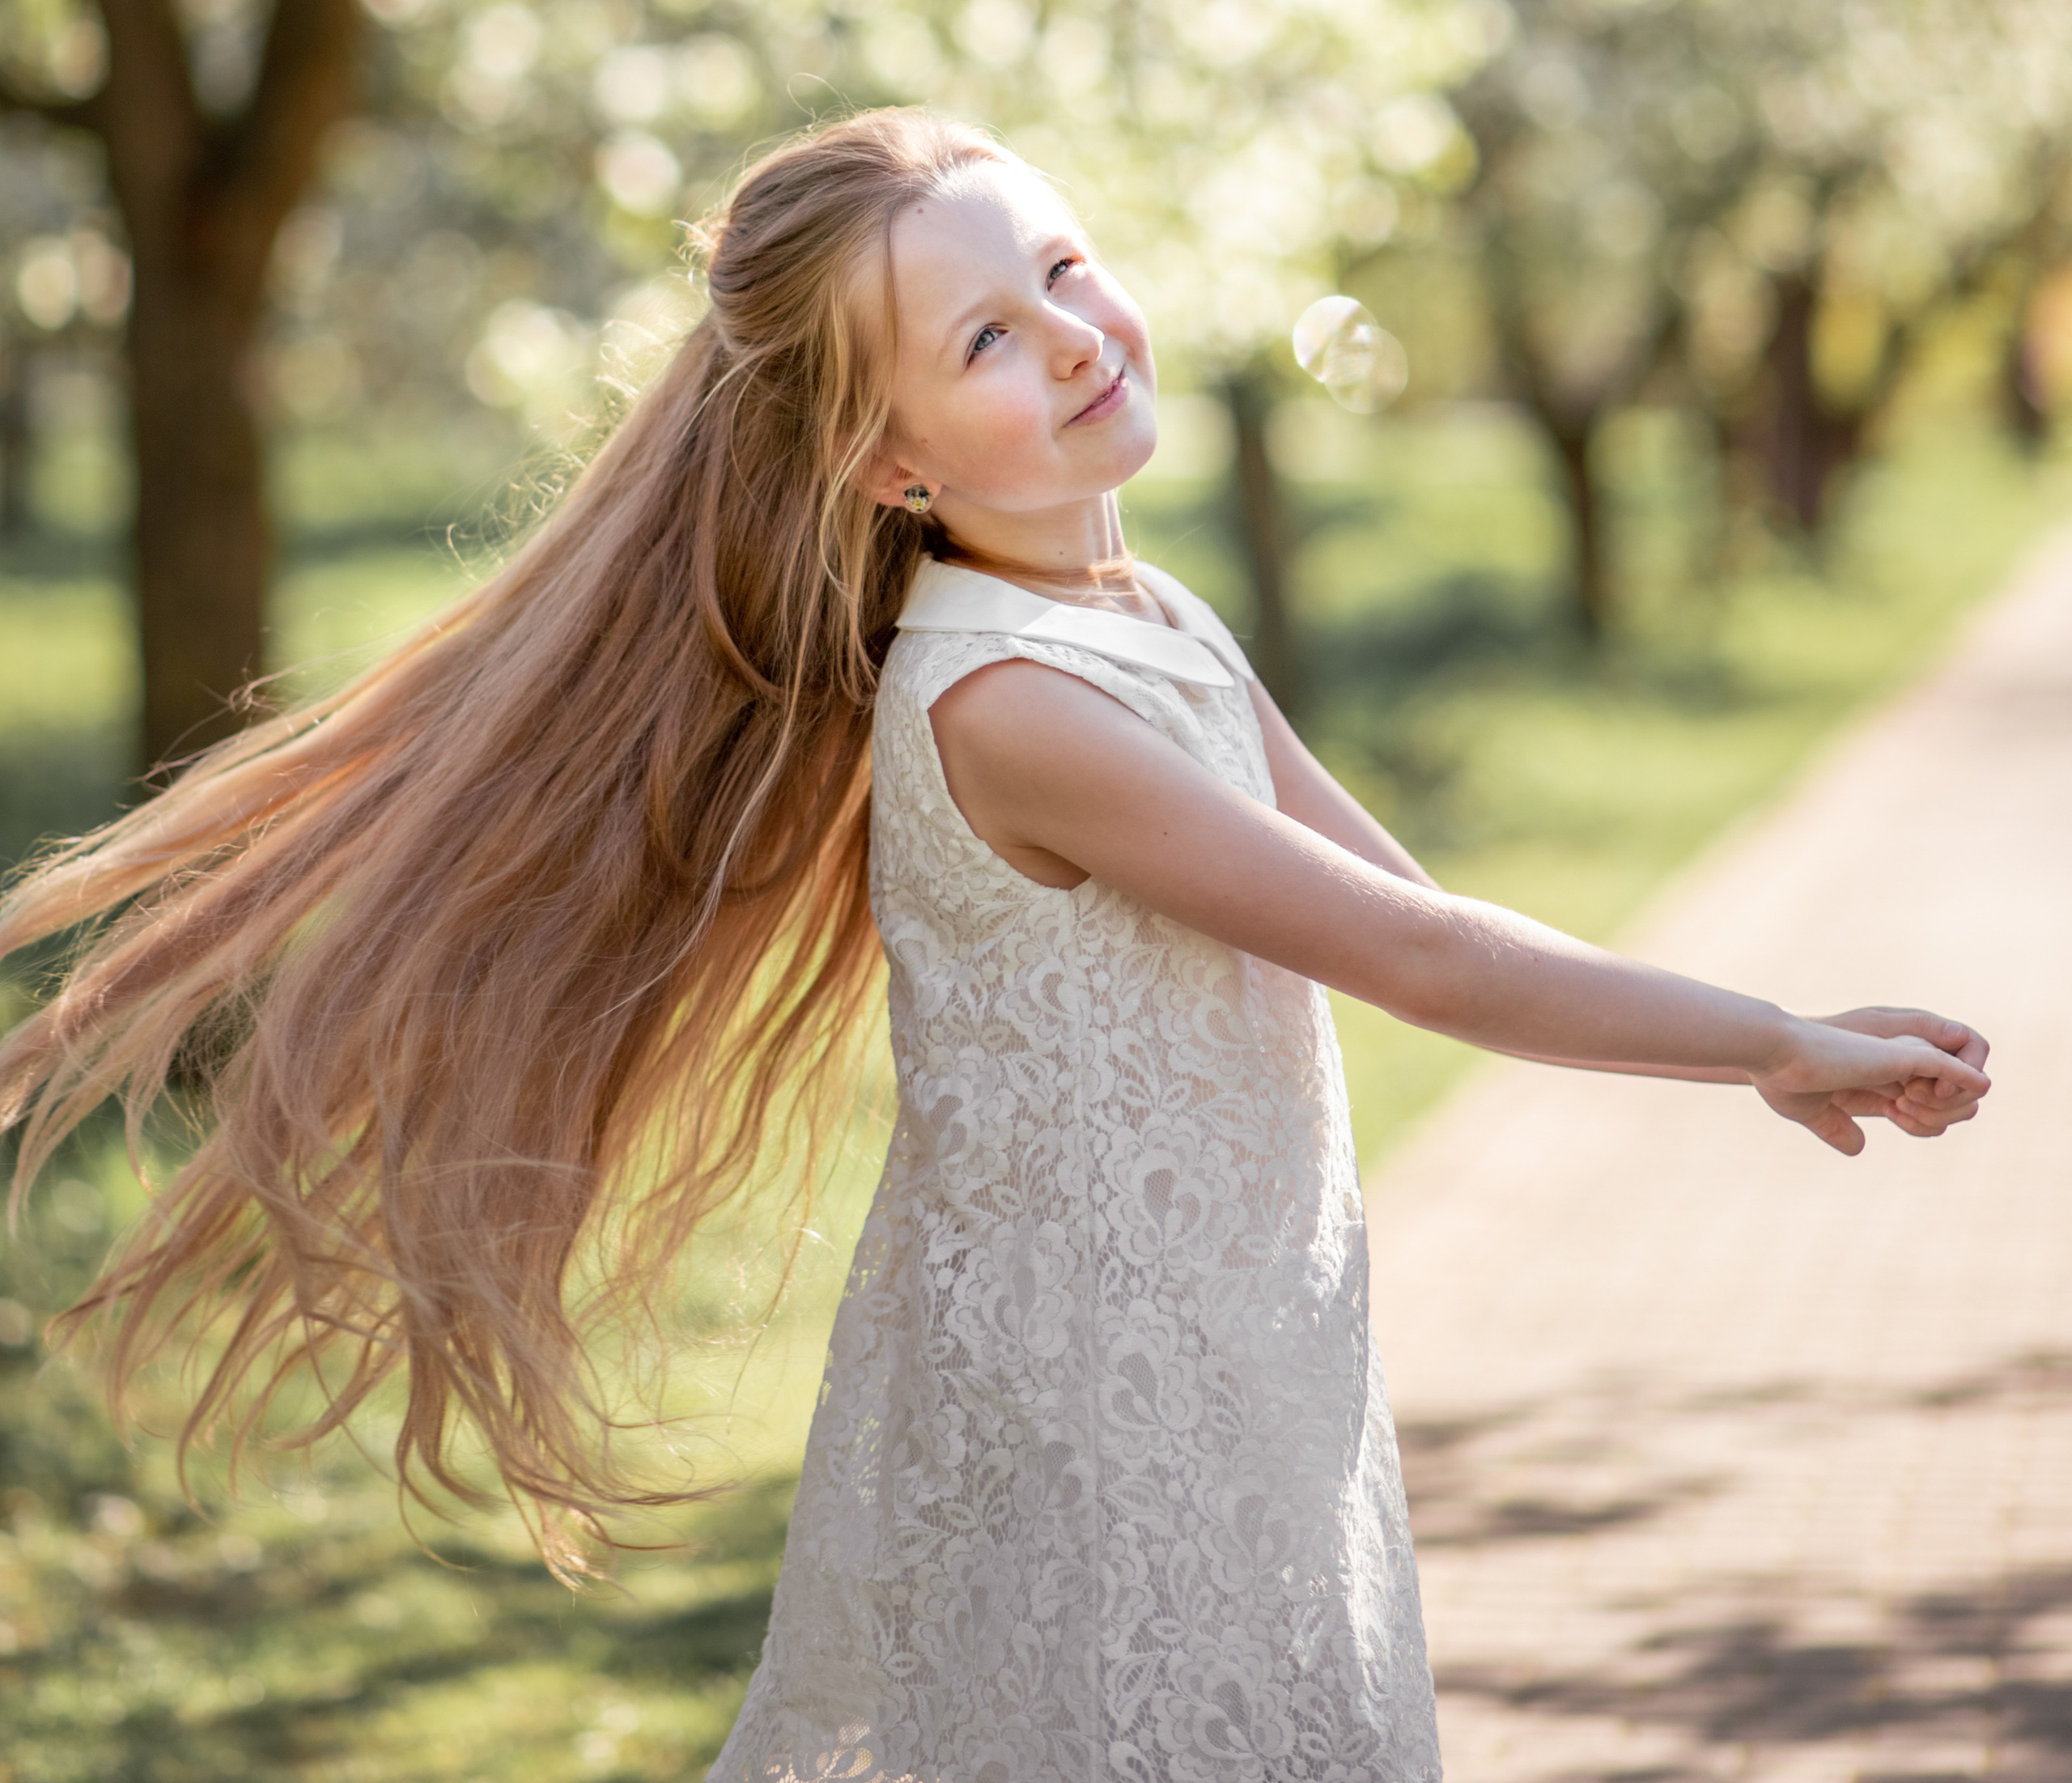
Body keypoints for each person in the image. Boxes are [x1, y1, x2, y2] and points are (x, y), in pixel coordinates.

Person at [0, 108, 1988, 1782]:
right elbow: (1430, 971)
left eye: (1060, 265)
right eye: (981, 333)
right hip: (1100, 1393)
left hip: (1246, 1344)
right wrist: (1764, 1040)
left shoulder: (1150, 616)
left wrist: (1755, 1028)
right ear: (889, 462)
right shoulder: (1007, 705)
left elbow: (1420, 907)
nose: (1067, 333)